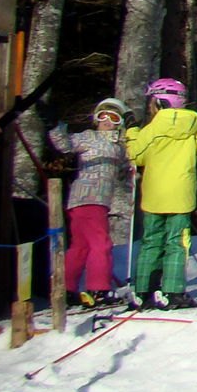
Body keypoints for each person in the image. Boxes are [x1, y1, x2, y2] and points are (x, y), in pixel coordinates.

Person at [126, 78, 197, 310]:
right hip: (181, 196)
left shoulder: (151, 129)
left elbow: (136, 156)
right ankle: (172, 291)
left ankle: (144, 291)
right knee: (177, 244)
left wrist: (131, 132)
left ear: (159, 102)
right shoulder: (194, 127)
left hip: (154, 196)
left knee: (151, 242)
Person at [48, 98, 130, 309]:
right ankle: (99, 288)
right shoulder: (89, 137)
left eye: (113, 117)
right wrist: (55, 126)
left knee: (81, 246)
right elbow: (65, 144)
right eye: (102, 115)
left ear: (119, 122)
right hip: (88, 197)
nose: (106, 120)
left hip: (94, 200)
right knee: (100, 244)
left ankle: (65, 289)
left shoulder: (120, 145)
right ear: (95, 118)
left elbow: (123, 171)